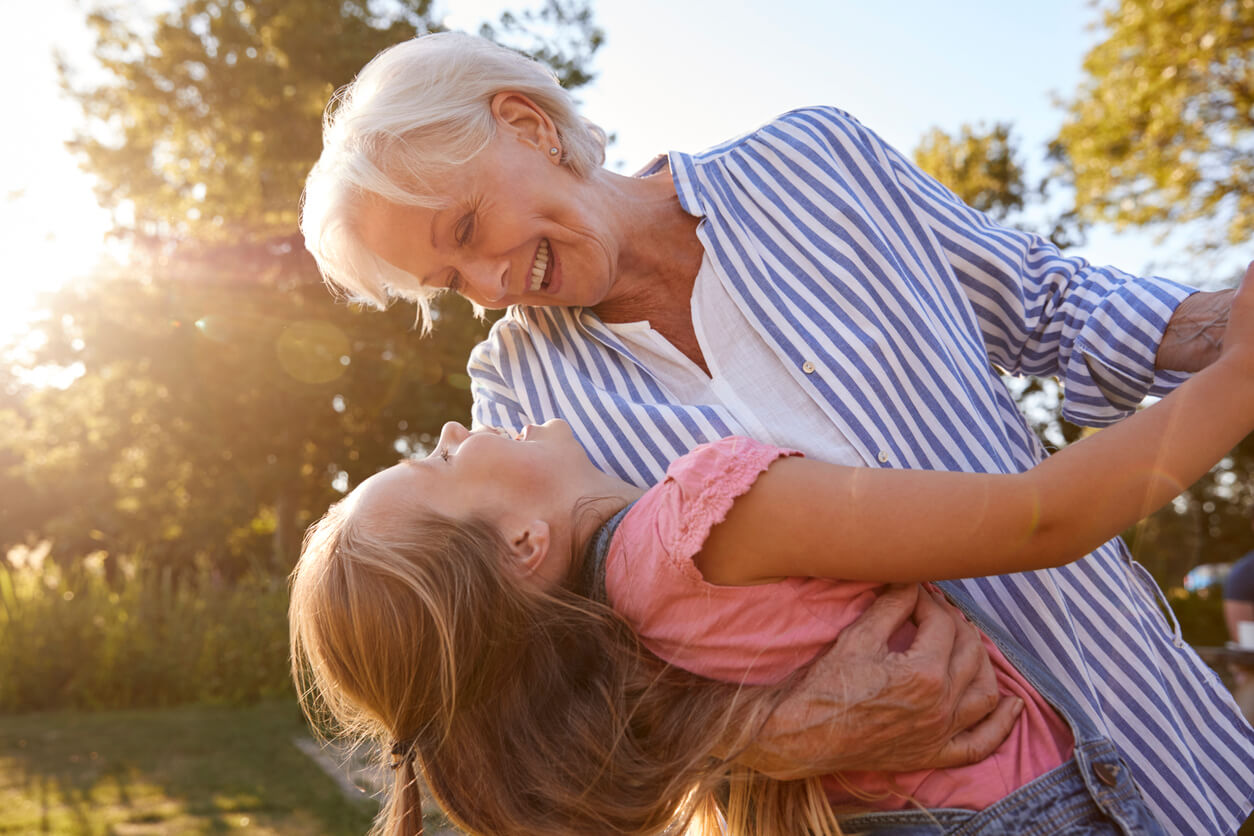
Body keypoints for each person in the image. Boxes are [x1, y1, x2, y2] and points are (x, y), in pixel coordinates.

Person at [299, 32, 1254, 833]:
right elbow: (554, 688)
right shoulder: (517, 396)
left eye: (468, 228)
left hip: (1148, 724)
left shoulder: (813, 161)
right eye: (450, 283)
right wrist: (760, 736)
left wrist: (1231, 330)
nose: (489, 284)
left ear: (528, 124)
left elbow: (1053, 305)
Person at [289, 276, 1254, 835]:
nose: (455, 429)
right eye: (437, 461)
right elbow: (1041, 520)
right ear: (522, 543)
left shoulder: (624, 634)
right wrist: (1241, 374)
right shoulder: (709, 509)